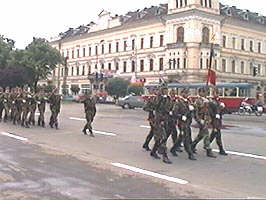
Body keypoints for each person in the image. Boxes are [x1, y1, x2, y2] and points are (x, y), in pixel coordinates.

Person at [150, 84, 172, 164]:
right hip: (159, 120)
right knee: (163, 137)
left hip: (166, 120)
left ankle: (153, 151)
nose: (166, 91)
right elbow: (154, 107)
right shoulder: (157, 98)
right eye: (164, 89)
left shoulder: (168, 98)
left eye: (166, 89)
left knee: (159, 138)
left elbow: (170, 108)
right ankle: (165, 156)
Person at [191, 88, 216, 158]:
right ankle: (208, 149)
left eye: (205, 92)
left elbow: (210, 110)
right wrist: (199, 120)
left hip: (206, 120)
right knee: (206, 134)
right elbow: (195, 113)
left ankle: (192, 145)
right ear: (199, 93)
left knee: (201, 135)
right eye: (203, 92)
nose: (204, 93)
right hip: (201, 120)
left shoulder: (207, 100)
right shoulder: (198, 101)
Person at [172, 88, 196, 160]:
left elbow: (193, 109)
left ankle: (173, 149)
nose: (186, 94)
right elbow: (174, 112)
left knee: (182, 137)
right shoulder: (178, 102)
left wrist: (192, 108)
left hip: (188, 122)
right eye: (185, 93)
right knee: (186, 137)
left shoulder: (188, 101)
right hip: (181, 122)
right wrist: (181, 116)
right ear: (182, 93)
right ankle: (190, 154)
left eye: (187, 93)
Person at [209, 89, 228, 156]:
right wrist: (215, 115)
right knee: (218, 135)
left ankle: (207, 144)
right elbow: (210, 112)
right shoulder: (211, 102)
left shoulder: (219, 102)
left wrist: (223, 108)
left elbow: (225, 112)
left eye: (218, 93)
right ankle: (221, 149)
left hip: (218, 121)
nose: (217, 95)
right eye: (215, 93)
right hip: (214, 120)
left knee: (213, 134)